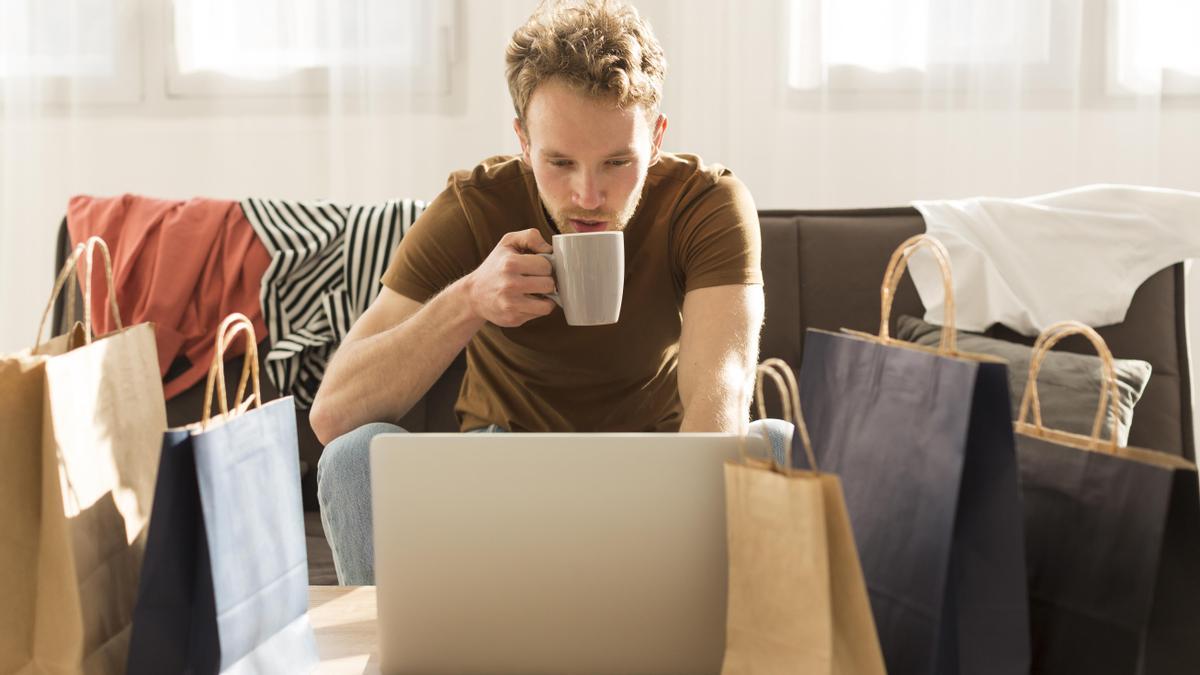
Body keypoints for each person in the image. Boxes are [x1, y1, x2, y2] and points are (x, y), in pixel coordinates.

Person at [310, 0, 783, 585]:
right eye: (559, 162)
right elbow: (333, 414)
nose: (589, 196)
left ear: (657, 138)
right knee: (354, 456)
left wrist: (667, 549)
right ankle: (395, 638)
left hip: (655, 470)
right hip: (503, 477)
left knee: (776, 444)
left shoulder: (706, 204)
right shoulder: (473, 206)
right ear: (523, 141)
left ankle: (694, 626)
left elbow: (720, 403)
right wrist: (469, 300)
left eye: (617, 161)